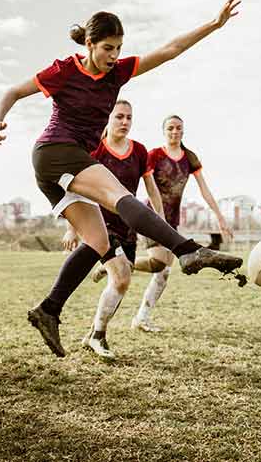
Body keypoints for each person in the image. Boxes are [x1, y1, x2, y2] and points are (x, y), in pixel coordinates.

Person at [0, 0, 243, 358]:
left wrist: (213, 25)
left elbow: (170, 50)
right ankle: (188, 251)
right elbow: (12, 91)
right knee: (120, 194)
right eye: (108, 47)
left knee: (106, 252)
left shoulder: (118, 72)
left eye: (119, 48)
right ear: (89, 44)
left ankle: (48, 310)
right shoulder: (64, 71)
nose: (113, 55)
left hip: (64, 168)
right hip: (55, 153)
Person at [62, 100, 164, 359]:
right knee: (121, 277)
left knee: (121, 282)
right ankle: (98, 336)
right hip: (99, 224)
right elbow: (73, 188)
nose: (125, 122)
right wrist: (72, 228)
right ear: (108, 119)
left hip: (128, 226)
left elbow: (151, 189)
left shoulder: (140, 151)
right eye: (119, 117)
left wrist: (160, 224)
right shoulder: (94, 150)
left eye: (129, 117)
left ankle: (94, 333)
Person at [130, 115, 233, 332]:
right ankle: (119, 265)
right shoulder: (154, 155)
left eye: (178, 128)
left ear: (183, 131)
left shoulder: (190, 158)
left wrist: (220, 217)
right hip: (152, 216)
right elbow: (145, 184)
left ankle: (141, 317)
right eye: (170, 128)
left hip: (172, 221)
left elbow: (204, 190)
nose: (174, 132)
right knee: (159, 263)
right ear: (164, 131)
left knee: (163, 272)